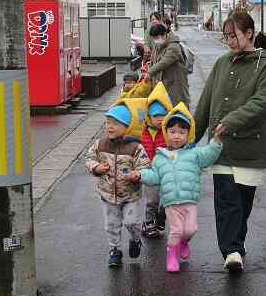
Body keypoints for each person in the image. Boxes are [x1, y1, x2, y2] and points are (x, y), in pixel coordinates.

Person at [194, 9, 266, 273]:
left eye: (234, 36)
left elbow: (261, 102)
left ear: (249, 34)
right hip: (221, 145)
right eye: (226, 37)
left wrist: (231, 120)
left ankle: (236, 245)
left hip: (251, 146)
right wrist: (187, 140)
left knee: (243, 202)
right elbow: (205, 103)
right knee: (226, 199)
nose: (229, 42)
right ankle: (230, 250)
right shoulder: (221, 64)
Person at [124, 103, 223, 273]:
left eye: (182, 132)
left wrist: (217, 141)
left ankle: (184, 243)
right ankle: (171, 255)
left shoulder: (194, 154)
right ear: (166, 133)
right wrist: (140, 175)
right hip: (170, 202)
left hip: (189, 200)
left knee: (191, 229)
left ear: (188, 135)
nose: (176, 136)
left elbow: (210, 154)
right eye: (172, 132)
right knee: (176, 230)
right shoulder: (159, 158)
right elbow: (154, 176)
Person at [85, 104, 151, 268]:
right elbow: (89, 158)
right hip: (108, 195)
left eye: (115, 123)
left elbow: (145, 167)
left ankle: (135, 240)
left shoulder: (135, 147)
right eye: (108, 122)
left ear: (126, 126)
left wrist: (138, 174)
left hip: (130, 195)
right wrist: (96, 167)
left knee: (131, 222)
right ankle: (115, 250)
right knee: (111, 225)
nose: (110, 126)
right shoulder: (100, 144)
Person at [140, 83, 172, 238]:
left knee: (167, 198)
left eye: (163, 115)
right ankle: (149, 223)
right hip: (150, 171)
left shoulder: (170, 132)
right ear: (149, 117)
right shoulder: (142, 132)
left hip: (167, 171)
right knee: (151, 199)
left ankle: (161, 216)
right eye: (156, 116)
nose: (160, 120)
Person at [147, 23, 190, 108]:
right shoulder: (158, 45)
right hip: (165, 82)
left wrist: (150, 72)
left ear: (164, 34)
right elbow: (154, 60)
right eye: (154, 38)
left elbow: (165, 61)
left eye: (156, 38)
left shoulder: (174, 46)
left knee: (178, 106)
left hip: (176, 82)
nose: (155, 40)